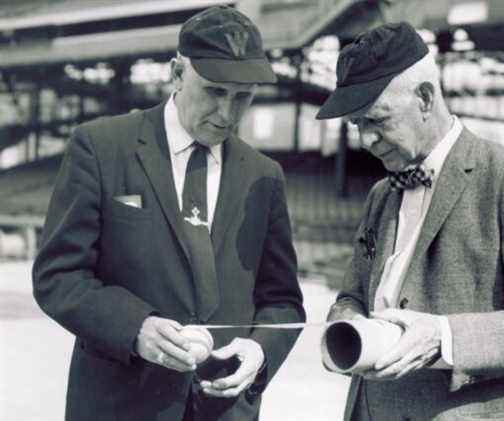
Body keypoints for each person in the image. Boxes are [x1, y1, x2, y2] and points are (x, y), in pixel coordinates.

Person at [32, 6, 305, 421]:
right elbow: (57, 275)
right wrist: (135, 328)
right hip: (120, 407)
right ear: (177, 74)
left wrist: (260, 351)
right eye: (215, 91)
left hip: (223, 410)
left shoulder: (264, 177)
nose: (227, 115)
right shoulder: (101, 147)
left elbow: (282, 300)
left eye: (243, 97)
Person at [317, 22, 504, 421]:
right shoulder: (380, 195)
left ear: (425, 98)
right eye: (358, 125)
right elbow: (351, 296)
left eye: (378, 120)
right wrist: (349, 324)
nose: (365, 140)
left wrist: (443, 338)